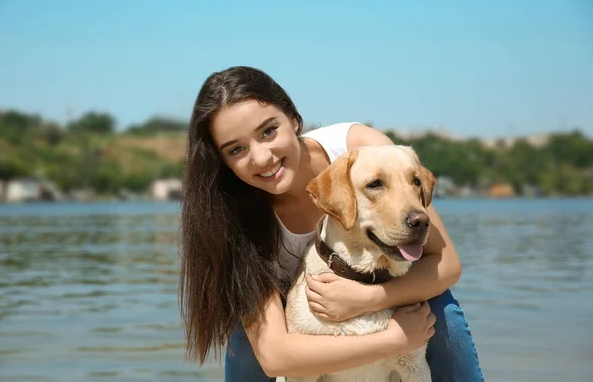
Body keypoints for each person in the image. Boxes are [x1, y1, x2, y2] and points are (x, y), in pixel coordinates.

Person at [179, 66, 484, 381]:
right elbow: (274, 356)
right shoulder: (232, 218)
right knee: (244, 344)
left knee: (445, 314)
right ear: (224, 162)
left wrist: (368, 300)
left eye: (268, 131)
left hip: (385, 285)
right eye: (236, 149)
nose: (261, 157)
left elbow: (447, 264)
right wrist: (393, 341)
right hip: (300, 313)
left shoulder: (362, 147)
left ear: (293, 118)